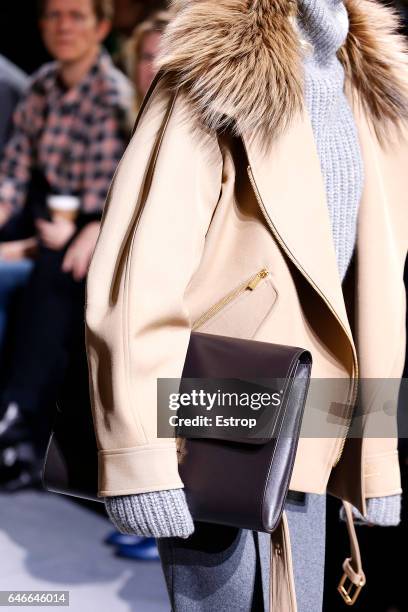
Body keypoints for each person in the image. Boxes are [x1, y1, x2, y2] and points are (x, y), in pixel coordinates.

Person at [84, 0, 408, 610]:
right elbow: (142, 267)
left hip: (320, 408)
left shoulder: (369, 81)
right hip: (221, 397)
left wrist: (374, 452)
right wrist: (140, 455)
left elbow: (377, 285)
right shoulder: (218, 61)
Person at [0, 0, 133, 491]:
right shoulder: (41, 86)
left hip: (88, 234)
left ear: (101, 27)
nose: (63, 26)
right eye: (54, 15)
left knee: (57, 268)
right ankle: (14, 422)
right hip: (50, 230)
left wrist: (51, 236)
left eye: (77, 16)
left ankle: (19, 414)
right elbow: (13, 172)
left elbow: (104, 196)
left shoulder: (112, 95)